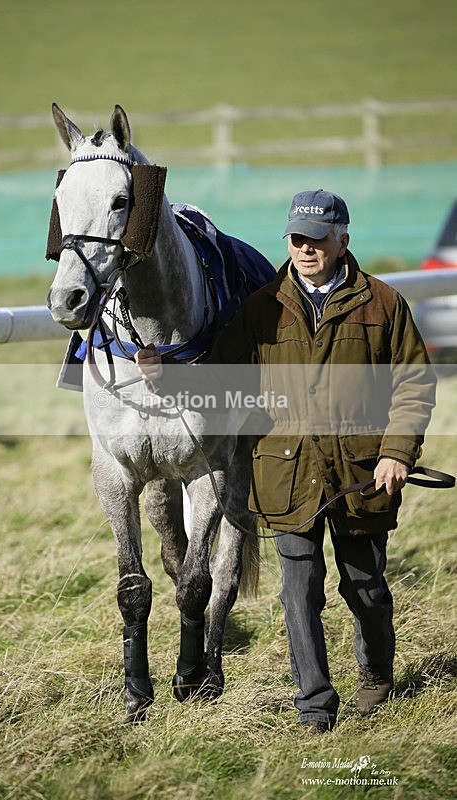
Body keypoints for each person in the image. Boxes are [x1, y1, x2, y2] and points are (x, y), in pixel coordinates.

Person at [135, 189, 436, 733]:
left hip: (360, 474)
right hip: (285, 475)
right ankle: (314, 705)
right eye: (296, 238)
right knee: (298, 592)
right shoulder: (261, 306)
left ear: (342, 239)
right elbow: (223, 376)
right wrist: (170, 376)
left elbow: (413, 383)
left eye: (316, 239)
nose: (304, 248)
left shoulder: (385, 304)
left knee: (365, 587)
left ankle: (376, 674)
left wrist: (396, 452)